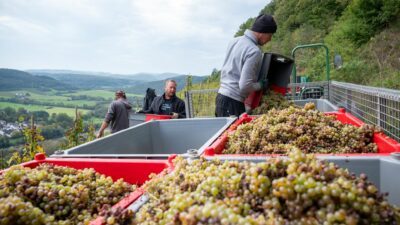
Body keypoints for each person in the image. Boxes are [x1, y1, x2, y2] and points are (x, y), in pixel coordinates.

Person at [215, 14, 277, 117]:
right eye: (270, 35)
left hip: (221, 98)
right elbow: (244, 86)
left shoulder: (234, 41)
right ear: (262, 32)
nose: (270, 39)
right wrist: (260, 85)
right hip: (233, 102)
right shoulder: (253, 51)